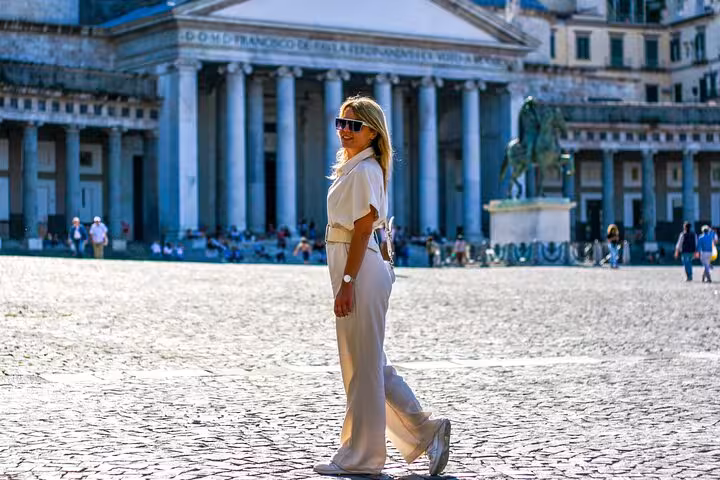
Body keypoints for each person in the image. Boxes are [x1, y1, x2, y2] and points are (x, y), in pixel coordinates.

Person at [316, 96, 450, 477]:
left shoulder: (365, 170)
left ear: (372, 132)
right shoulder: (357, 167)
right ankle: (427, 431)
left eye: (353, 125)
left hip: (356, 268)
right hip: (357, 265)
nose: (344, 129)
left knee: (363, 368)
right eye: (340, 122)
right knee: (371, 364)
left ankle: (363, 458)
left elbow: (362, 229)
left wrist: (346, 283)